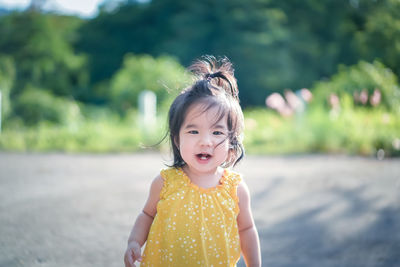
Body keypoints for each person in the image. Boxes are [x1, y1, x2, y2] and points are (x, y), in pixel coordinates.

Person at [124, 56, 261, 267]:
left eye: (217, 132)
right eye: (194, 131)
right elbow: (147, 215)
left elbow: (247, 229)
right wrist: (134, 241)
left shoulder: (236, 188)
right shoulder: (165, 182)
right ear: (177, 139)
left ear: (231, 141)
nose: (205, 141)